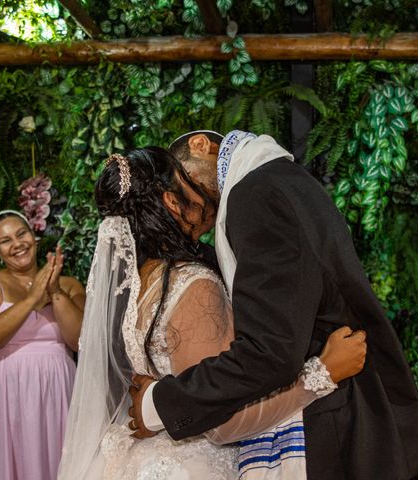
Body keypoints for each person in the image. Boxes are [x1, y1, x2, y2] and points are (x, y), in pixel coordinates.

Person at [129, 130, 418, 479]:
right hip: (345, 412)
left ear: (201, 144)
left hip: (330, 426)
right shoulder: (279, 179)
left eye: (179, 194)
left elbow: (269, 352)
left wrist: (160, 405)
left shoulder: (256, 195)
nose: (190, 221)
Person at [57, 148, 367, 480]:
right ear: (173, 202)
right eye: (185, 178)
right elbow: (224, 425)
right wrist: (321, 376)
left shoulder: (130, 288)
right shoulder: (192, 284)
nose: (202, 187)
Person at [0, 210, 85, 480]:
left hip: (57, 393)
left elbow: (79, 341)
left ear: (34, 237)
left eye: (21, 233)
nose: (17, 243)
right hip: (2, 394)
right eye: (5, 241)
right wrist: (31, 299)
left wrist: (54, 292)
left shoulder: (68, 284)